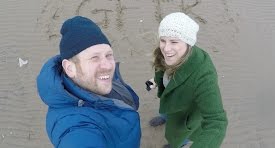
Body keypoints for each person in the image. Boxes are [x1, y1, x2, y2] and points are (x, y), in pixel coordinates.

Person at [37, 16, 141, 148]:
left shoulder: (95, 81)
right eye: (94, 58)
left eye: (108, 55)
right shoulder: (76, 128)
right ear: (70, 68)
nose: (108, 66)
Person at [148, 12, 228, 148]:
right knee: (165, 111)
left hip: (183, 117)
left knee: (179, 136)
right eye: (163, 40)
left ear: (188, 43)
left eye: (174, 41)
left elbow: (217, 122)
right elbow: (161, 71)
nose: (166, 48)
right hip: (168, 101)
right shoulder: (164, 54)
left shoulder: (204, 75)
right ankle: (164, 117)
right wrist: (155, 81)